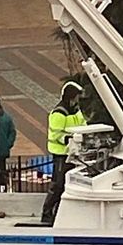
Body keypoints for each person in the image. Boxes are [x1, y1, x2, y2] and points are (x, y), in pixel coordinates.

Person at [40, 82, 86, 225]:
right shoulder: (59, 113)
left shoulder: (75, 110)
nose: (78, 100)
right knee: (58, 184)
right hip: (61, 154)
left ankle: (59, 212)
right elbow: (55, 134)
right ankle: (47, 214)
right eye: (77, 97)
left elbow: (83, 124)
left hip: (73, 153)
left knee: (68, 184)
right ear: (71, 97)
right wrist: (69, 139)